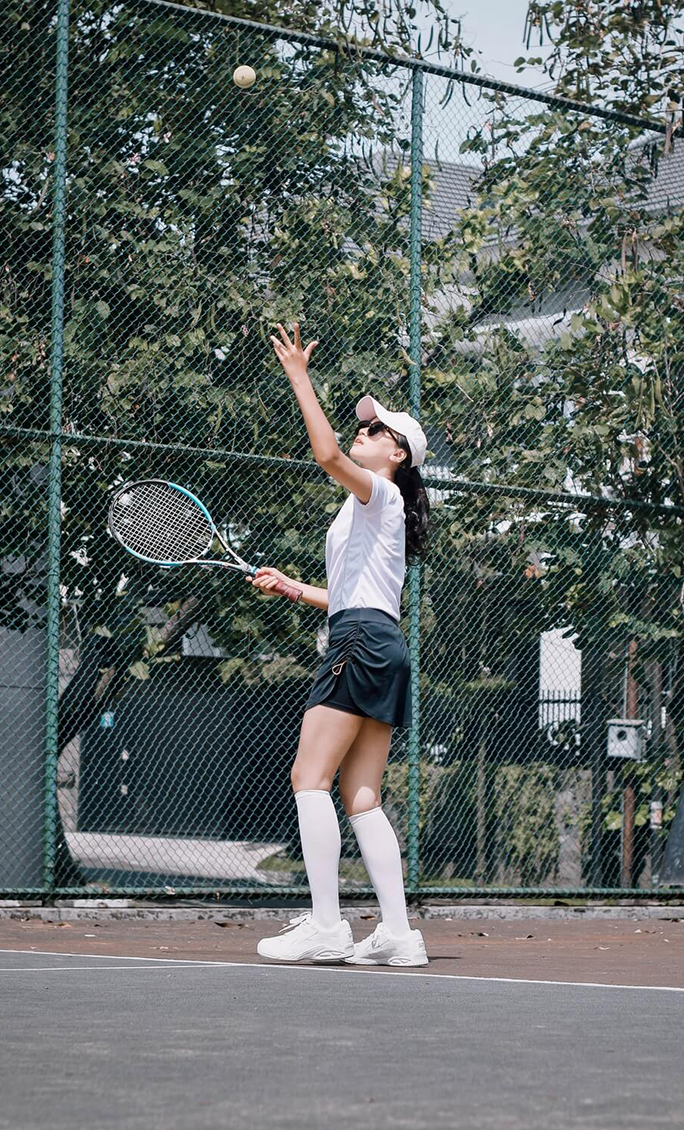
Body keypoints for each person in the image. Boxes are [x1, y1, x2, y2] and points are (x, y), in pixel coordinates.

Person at [248, 322, 430, 967]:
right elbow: (358, 594)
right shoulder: (373, 510)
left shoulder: (380, 493)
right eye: (366, 425)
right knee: (362, 798)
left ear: (397, 454)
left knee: (308, 777)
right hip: (382, 640)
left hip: (359, 641)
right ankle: (399, 935)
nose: (364, 430)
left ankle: (327, 925)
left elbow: (326, 454)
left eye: (376, 429)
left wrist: (299, 375)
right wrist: (295, 587)